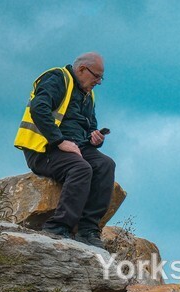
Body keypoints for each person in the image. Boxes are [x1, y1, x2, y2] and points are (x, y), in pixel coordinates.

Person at [14, 52, 114, 248]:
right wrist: (59, 141)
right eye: (96, 76)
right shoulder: (57, 78)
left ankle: (88, 230)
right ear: (82, 69)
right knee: (81, 168)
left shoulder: (87, 93)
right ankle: (58, 227)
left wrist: (95, 139)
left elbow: (90, 126)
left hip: (76, 147)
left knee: (105, 165)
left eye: (101, 77)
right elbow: (38, 108)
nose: (99, 81)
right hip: (45, 150)